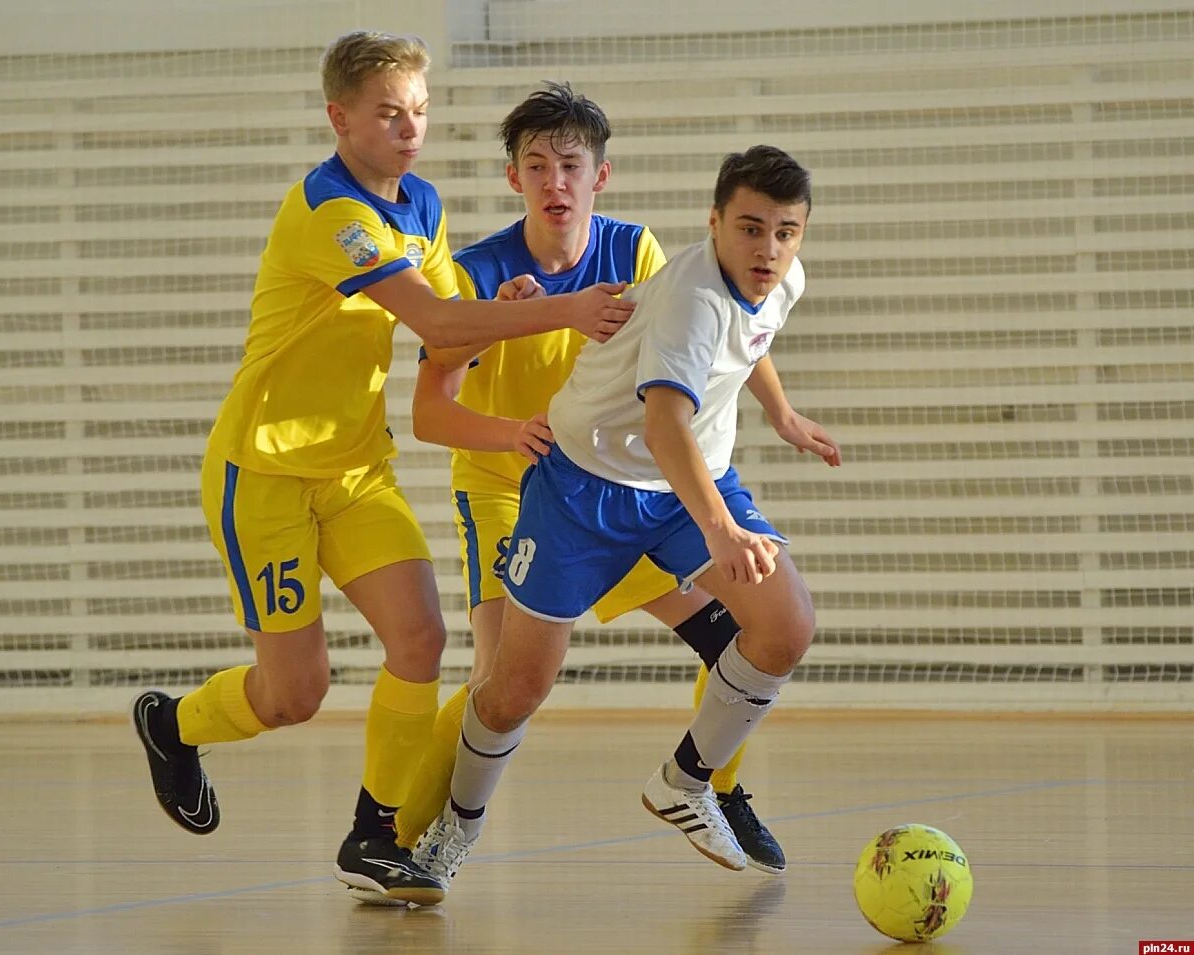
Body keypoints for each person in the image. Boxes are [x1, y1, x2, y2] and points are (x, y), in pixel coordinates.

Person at [128, 31, 633, 908]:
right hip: (267, 472)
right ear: (341, 118)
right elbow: (433, 313)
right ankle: (172, 723)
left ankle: (375, 833)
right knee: (296, 693)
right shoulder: (334, 214)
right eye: (390, 113)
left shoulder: (423, 204)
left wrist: (503, 304)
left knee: (422, 640)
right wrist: (555, 309)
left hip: (357, 468)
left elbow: (448, 328)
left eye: (421, 112)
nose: (411, 129)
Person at [417, 145, 841, 892]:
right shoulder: (690, 296)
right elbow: (665, 425)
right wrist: (720, 529)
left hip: (687, 483)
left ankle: (688, 780)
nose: (767, 249)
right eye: (749, 229)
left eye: (784, 232)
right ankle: (456, 823)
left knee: (785, 624)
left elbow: (752, 343)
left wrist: (782, 411)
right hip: (584, 487)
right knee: (518, 683)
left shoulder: (781, 279)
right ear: (713, 224)